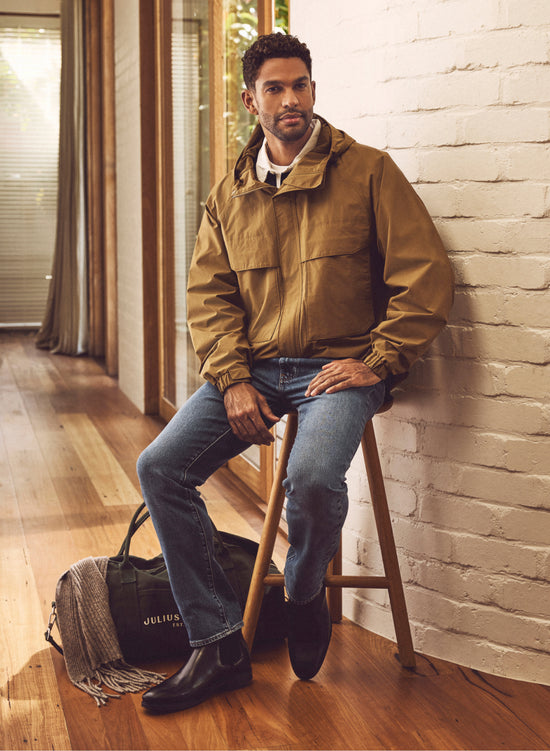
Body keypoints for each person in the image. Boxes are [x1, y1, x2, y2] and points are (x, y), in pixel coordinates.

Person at [138, 33, 453, 714]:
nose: (291, 100)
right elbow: (210, 298)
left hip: (338, 369)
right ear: (250, 101)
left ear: (313, 89)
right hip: (255, 369)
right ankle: (218, 643)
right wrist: (232, 378)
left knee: (309, 479)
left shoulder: (368, 173)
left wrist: (376, 359)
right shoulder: (229, 196)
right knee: (160, 466)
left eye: (300, 85)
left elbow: (426, 278)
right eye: (275, 89)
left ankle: (305, 591)